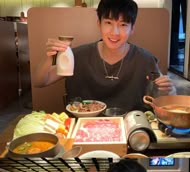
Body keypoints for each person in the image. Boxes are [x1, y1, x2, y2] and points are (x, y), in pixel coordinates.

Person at [33, 0, 176, 112]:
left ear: (132, 28)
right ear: (99, 24)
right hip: (84, 129)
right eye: (108, 22)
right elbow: (40, 82)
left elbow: (161, 98)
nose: (114, 32)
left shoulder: (145, 59)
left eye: (123, 25)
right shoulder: (78, 56)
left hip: (131, 130)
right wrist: (50, 58)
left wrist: (169, 89)